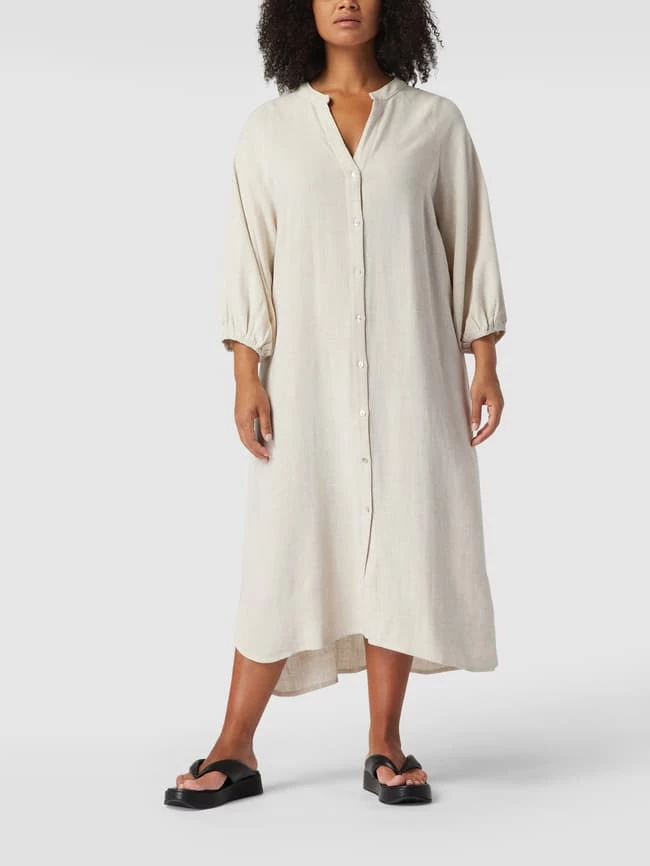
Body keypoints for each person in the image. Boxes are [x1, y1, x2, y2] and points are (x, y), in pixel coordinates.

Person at [164, 0, 507, 810]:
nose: (346, 0)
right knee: (284, 550)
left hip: (413, 374)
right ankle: (234, 746)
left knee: (402, 544)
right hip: (303, 384)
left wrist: (485, 359)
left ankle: (385, 742)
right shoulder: (270, 132)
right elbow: (250, 253)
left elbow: (469, 243)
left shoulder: (435, 124)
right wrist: (246, 372)